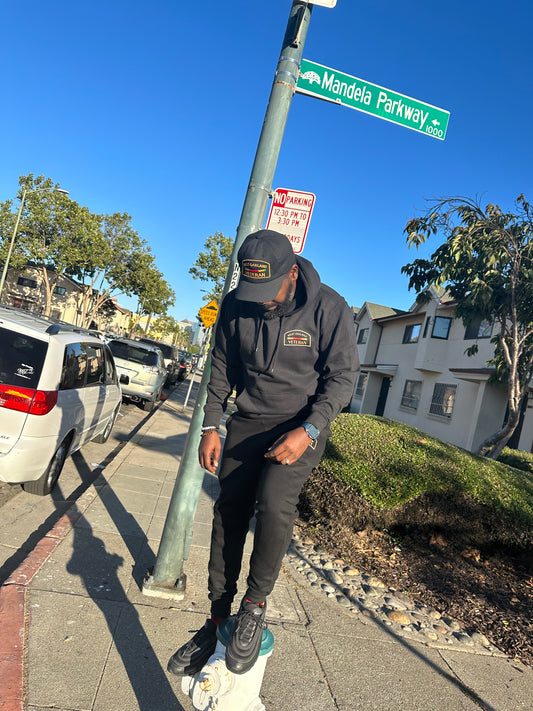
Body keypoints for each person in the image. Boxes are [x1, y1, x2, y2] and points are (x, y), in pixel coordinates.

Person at [168, 229, 359, 677]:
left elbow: (342, 379)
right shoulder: (237, 304)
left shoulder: (330, 308)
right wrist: (211, 426)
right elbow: (220, 369)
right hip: (247, 423)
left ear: (292, 272)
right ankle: (217, 618)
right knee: (228, 513)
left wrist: (309, 430)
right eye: (252, 291)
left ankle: (253, 606)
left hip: (299, 427)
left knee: (273, 504)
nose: (261, 302)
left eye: (268, 291)